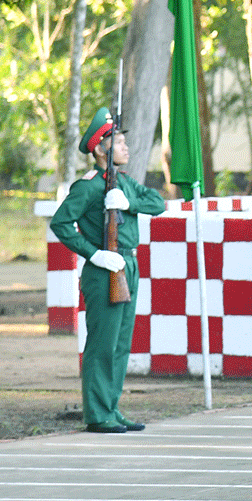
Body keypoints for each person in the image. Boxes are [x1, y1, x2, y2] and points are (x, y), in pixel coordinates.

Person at [50, 107, 166, 434]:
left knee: (121, 343)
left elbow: (157, 204)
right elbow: (61, 224)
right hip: (104, 269)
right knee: (102, 343)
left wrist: (128, 203)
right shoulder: (87, 188)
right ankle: (98, 414)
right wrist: (95, 254)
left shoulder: (125, 183)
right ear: (101, 148)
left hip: (128, 264)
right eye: (120, 142)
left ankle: (111, 408)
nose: (127, 147)